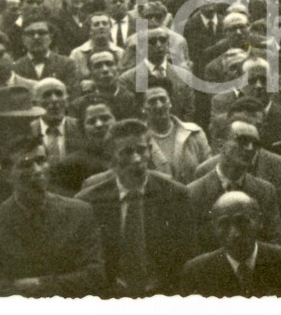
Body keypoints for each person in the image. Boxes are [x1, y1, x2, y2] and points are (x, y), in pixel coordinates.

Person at [75, 119, 196, 297]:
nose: (136, 159)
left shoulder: (176, 195)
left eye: (141, 150)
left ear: (149, 151)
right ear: (111, 156)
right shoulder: (89, 202)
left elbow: (186, 256)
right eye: (126, 152)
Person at [0, 133, 105, 297]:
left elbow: (95, 276)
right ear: (7, 175)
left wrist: (40, 284)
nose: (37, 170)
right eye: (25, 165)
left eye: (41, 161)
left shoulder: (80, 212)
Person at [179, 191, 281, 297]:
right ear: (214, 229)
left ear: (259, 221)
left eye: (242, 221)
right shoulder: (196, 273)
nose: (235, 233)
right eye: (224, 224)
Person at [187, 119, 281, 250]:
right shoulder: (193, 193)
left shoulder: (265, 191)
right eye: (242, 141)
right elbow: (191, 248)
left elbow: (273, 242)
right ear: (221, 145)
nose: (250, 148)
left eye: (255, 144)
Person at [139, 78, 211, 184]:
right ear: (143, 108)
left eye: (163, 99)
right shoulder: (139, 140)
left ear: (170, 103)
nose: (159, 105)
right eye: (152, 101)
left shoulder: (194, 133)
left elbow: (208, 171)